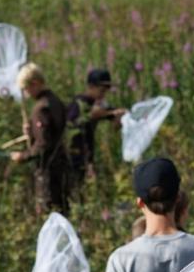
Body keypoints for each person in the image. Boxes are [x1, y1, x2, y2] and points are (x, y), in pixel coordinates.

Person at [11, 64, 71, 214]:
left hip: (48, 171)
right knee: (63, 210)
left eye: (26, 89)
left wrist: (22, 156)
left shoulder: (41, 108)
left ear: (35, 84)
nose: (26, 94)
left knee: (49, 213)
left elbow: (43, 145)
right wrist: (31, 132)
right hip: (62, 165)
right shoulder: (56, 101)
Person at [66, 68, 125, 191]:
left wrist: (119, 116)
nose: (104, 93)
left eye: (107, 90)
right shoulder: (79, 104)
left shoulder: (99, 104)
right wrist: (90, 117)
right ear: (91, 86)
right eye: (102, 90)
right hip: (73, 157)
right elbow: (69, 127)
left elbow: (111, 114)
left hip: (87, 156)